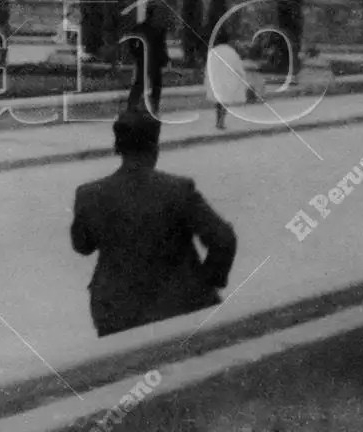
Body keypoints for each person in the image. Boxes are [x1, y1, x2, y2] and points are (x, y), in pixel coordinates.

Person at [70, 110, 238, 337]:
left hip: (117, 310)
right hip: (178, 305)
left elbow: (82, 246)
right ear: (155, 149)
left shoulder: (90, 194)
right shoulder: (179, 189)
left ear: (117, 148)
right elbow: (224, 239)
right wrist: (206, 282)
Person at [125, 0, 169, 115]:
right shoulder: (143, 28)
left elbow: (162, 45)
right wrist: (137, 54)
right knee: (141, 84)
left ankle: (151, 108)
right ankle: (134, 107)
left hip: (152, 61)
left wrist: (164, 58)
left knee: (153, 85)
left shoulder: (156, 28)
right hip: (145, 60)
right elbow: (132, 43)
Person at [205, 25, 247, 130]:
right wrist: (242, 78)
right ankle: (221, 121)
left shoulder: (213, 51)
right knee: (224, 102)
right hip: (228, 81)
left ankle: (218, 120)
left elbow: (208, 67)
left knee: (218, 102)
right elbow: (238, 67)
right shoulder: (231, 52)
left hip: (216, 80)